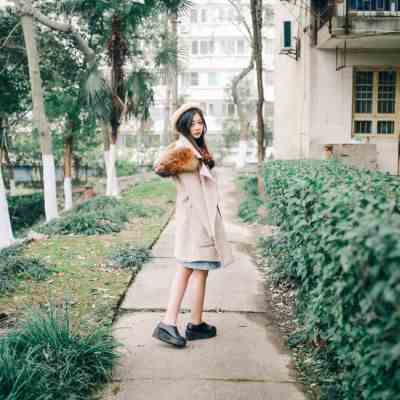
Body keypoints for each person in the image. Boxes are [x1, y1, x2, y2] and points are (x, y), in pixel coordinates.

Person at [152, 103, 234, 348]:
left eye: (199, 122)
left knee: (199, 270)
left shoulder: (194, 149)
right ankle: (167, 323)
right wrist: (210, 228)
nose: (197, 127)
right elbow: (196, 196)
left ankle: (196, 324)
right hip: (197, 221)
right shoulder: (185, 153)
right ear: (183, 127)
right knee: (187, 269)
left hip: (199, 219)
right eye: (192, 123)